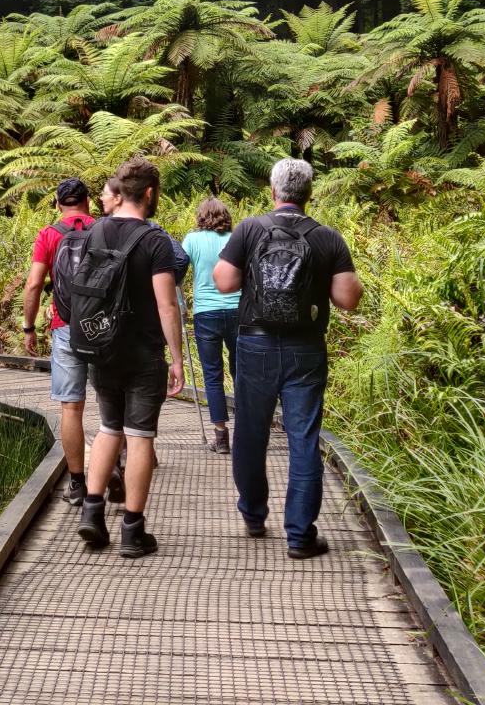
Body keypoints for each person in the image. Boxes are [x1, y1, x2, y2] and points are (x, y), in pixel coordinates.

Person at [214, 158, 361, 559]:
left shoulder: (249, 229)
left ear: (273, 192)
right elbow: (348, 299)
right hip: (305, 349)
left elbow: (224, 282)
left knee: (250, 431)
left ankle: (253, 515)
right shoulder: (327, 237)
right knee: (303, 438)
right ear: (309, 194)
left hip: (255, 344)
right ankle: (299, 535)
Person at [75, 158, 184, 559]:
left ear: (121, 191)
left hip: (99, 348)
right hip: (142, 353)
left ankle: (92, 509)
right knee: (139, 436)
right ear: (150, 194)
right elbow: (166, 304)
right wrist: (177, 358)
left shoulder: (95, 230)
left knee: (107, 428)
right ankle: (132, 531)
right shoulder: (156, 242)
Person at [22, 177, 96, 503]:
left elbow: (34, 284)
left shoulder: (49, 234)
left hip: (65, 326)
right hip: (105, 328)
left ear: (57, 203)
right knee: (113, 398)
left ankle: (78, 483)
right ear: (88, 202)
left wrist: (28, 327)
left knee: (71, 407)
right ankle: (119, 462)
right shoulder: (104, 229)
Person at [182, 197, 242, 455]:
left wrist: (179, 303)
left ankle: (220, 435)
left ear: (201, 216)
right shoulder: (236, 239)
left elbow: (175, 272)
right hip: (238, 310)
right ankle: (246, 429)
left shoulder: (192, 241)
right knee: (242, 370)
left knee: (212, 374)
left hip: (206, 313)